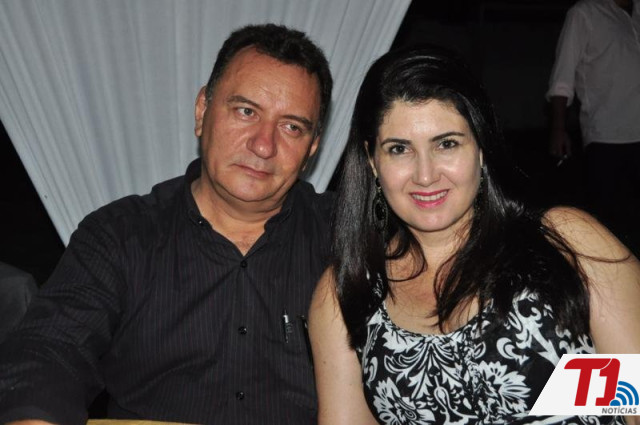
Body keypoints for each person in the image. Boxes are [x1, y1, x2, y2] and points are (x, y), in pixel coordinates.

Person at [0, 23, 333, 425]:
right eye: (246, 111)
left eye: (292, 127)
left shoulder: (348, 239)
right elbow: (49, 350)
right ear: (202, 110)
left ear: (312, 147)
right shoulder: (121, 235)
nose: (263, 144)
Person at [309, 45, 640, 425]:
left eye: (446, 143)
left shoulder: (564, 244)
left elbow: (634, 399)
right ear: (372, 161)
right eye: (399, 149)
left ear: (481, 147)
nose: (426, 175)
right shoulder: (348, 291)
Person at [547, 0, 640, 256]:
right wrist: (558, 128)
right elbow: (562, 78)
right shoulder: (584, 13)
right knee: (613, 230)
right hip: (607, 140)